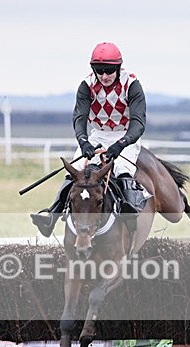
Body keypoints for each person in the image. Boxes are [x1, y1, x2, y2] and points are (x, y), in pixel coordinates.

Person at [31, 41, 148, 237]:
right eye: (99, 70)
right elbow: (79, 118)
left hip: (125, 135)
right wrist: (83, 141)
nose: (104, 76)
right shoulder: (86, 86)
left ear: (118, 68)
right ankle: (52, 214)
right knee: (76, 172)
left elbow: (138, 123)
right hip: (98, 135)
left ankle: (130, 211)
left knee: (122, 169)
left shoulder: (132, 85)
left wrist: (121, 144)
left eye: (109, 71)